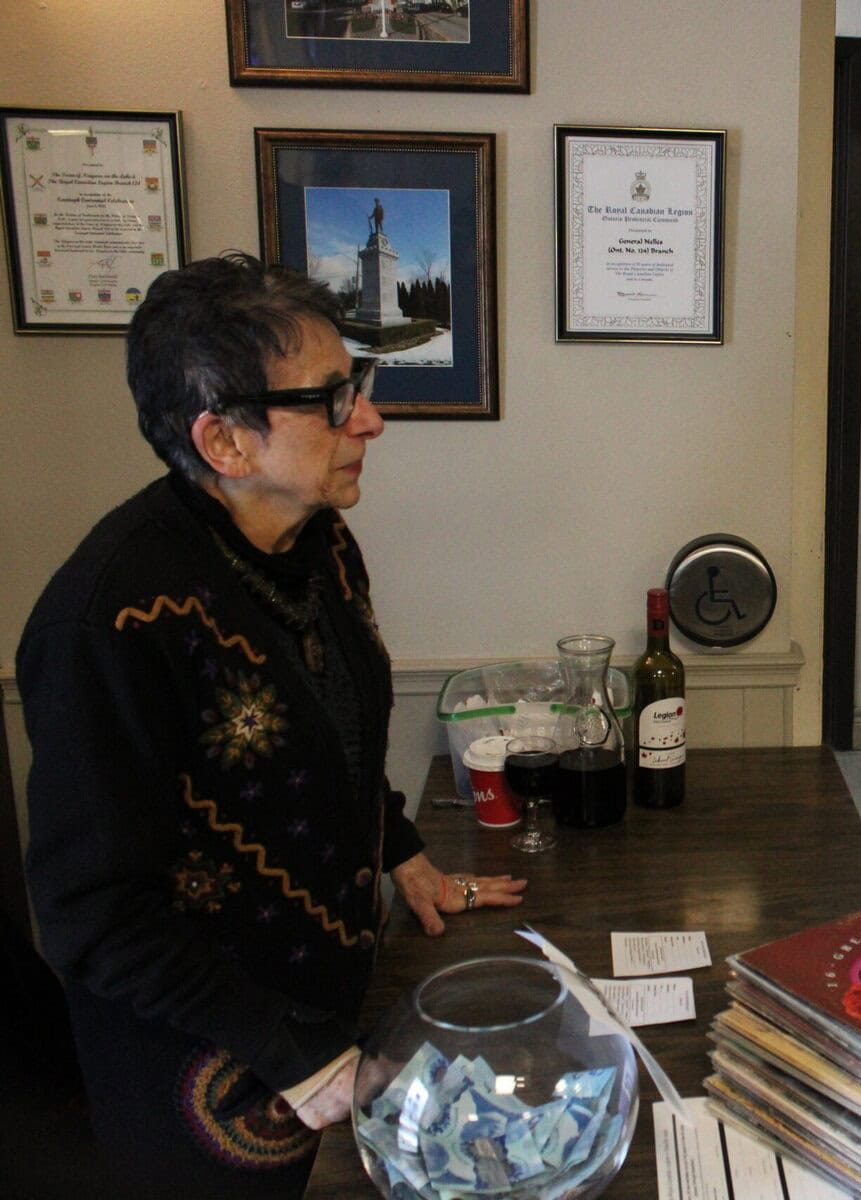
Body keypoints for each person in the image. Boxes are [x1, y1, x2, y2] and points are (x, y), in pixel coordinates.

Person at [17, 252, 527, 1198]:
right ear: (225, 443)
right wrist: (292, 1050)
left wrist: (400, 846)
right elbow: (91, 915)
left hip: (330, 1007)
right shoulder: (106, 623)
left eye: (359, 386)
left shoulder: (319, 541)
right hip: (205, 1063)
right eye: (331, 400)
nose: (368, 418)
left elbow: (332, 736)